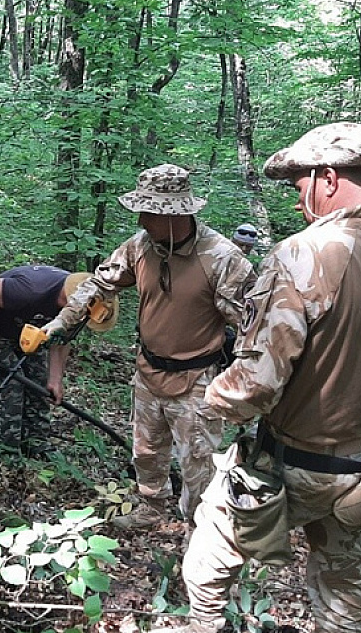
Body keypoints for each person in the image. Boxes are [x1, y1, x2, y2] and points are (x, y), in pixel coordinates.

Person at [161, 122, 361, 633]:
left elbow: (254, 386)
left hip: (293, 462)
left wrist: (212, 395)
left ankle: (200, 626)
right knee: (346, 589)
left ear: (328, 178)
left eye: (300, 185)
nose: (298, 199)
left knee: (210, 557)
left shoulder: (302, 255)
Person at [41, 164, 256, 527]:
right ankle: (152, 508)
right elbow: (100, 283)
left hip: (197, 380)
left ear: (174, 214)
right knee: (146, 451)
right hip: (148, 371)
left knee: (198, 462)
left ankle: (199, 530)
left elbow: (254, 329)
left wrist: (247, 388)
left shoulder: (222, 259)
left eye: (148, 212)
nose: (141, 220)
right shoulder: (140, 247)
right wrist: (59, 325)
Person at [0, 266, 112, 455]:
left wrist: (55, 379)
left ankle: (36, 442)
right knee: (12, 382)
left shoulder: (81, 308)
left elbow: (61, 340)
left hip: (32, 330)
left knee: (39, 384)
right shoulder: (31, 290)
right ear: (70, 302)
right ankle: (4, 447)